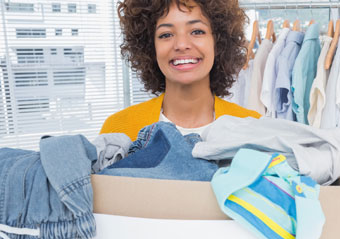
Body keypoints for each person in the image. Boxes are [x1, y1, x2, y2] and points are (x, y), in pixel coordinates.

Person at [100, 0, 261, 141]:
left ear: (218, 42)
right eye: (166, 34)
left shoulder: (256, 129)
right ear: (150, 47)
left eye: (197, 31)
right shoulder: (118, 130)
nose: (182, 44)